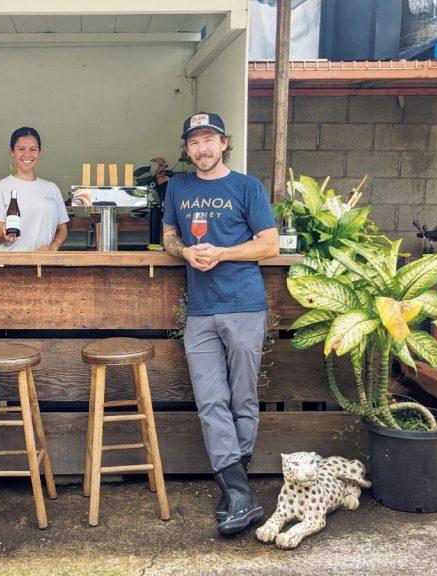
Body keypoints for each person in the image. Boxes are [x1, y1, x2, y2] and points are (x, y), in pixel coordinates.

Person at [161, 112, 279, 536]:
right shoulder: (178, 186)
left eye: (209, 139)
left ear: (224, 143)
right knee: (211, 399)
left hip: (244, 305)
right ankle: (241, 496)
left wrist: (222, 252)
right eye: (194, 142)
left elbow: (269, 243)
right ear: (187, 148)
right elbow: (169, 235)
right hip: (200, 309)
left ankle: (236, 493)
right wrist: (184, 253)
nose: (202, 148)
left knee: (242, 397)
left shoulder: (247, 187)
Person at [0, 127, 69, 251]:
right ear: (12, 152)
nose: (27, 154)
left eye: (33, 149)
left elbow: (62, 228)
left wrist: (54, 246)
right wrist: (4, 235)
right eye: (21, 149)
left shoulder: (51, 188)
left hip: (45, 264)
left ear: (39, 152)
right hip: (12, 266)